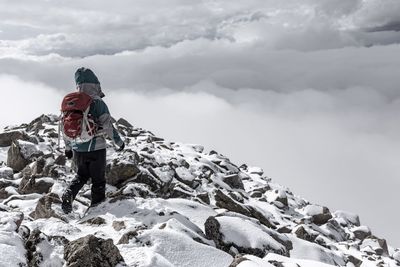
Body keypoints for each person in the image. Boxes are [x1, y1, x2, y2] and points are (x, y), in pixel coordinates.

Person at [61, 67, 125, 214]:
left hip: (78, 148)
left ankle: (69, 193)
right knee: (98, 180)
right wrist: (119, 143)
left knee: (81, 176)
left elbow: (67, 128)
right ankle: (96, 210)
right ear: (95, 84)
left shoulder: (72, 103)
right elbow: (108, 126)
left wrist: (68, 149)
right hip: (97, 148)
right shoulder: (97, 103)